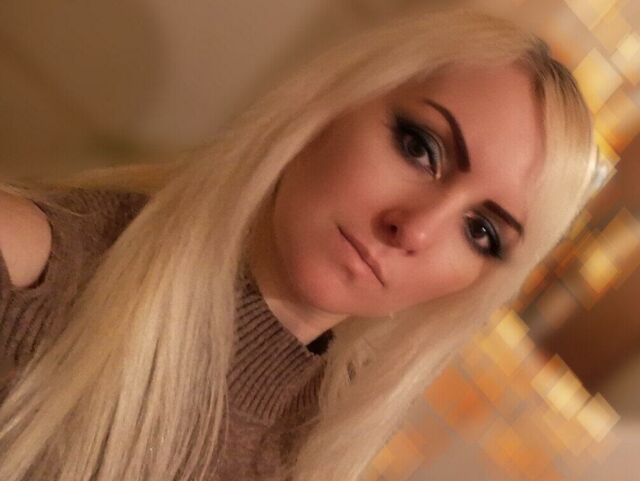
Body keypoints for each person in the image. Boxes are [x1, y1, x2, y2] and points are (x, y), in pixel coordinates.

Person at [0, 7, 597, 481]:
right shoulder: (29, 268)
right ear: (333, 104)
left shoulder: (315, 447)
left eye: (480, 231)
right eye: (420, 148)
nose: (414, 229)